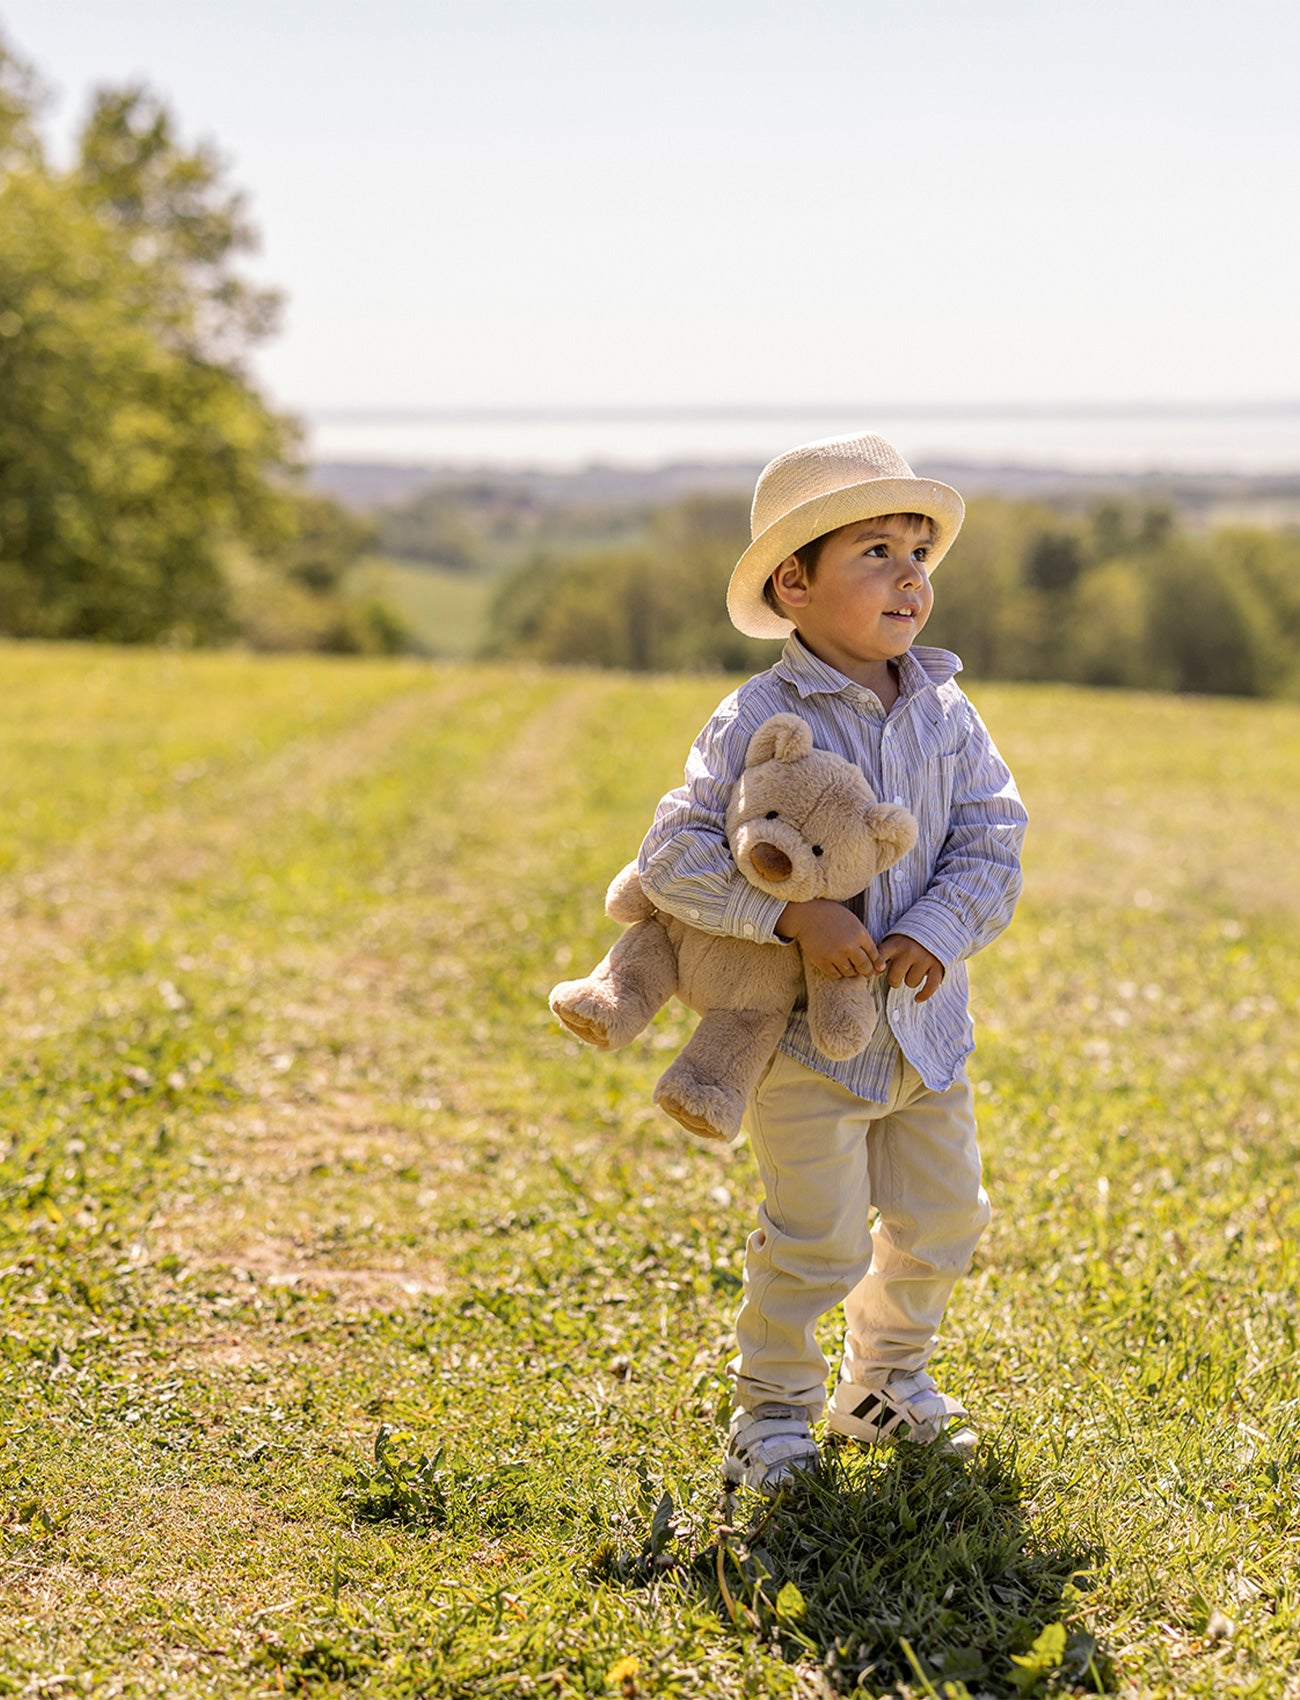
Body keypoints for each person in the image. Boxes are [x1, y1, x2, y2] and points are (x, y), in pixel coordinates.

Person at [636, 432, 1027, 1493]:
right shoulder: (757, 718)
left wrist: (933, 931)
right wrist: (793, 915)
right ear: (793, 581)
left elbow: (992, 839)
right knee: (814, 1236)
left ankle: (885, 1381)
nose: (911, 574)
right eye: (876, 551)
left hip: (924, 1033)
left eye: (919, 552)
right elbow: (672, 855)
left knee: (945, 1216)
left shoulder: (946, 711)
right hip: (808, 1043)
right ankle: (769, 1411)